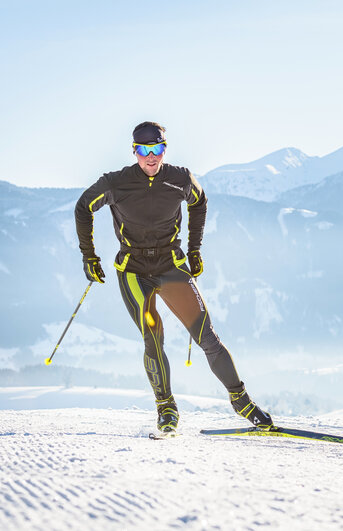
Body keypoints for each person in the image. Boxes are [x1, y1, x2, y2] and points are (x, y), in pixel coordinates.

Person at [74, 121, 272, 433]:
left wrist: (194, 250)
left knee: (207, 336)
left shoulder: (180, 178)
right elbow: (83, 207)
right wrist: (89, 255)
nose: (151, 157)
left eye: (157, 149)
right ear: (134, 151)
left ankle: (242, 401)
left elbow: (200, 202)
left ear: (165, 149)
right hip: (133, 272)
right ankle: (166, 409)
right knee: (153, 334)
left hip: (171, 266)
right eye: (144, 150)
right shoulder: (116, 183)